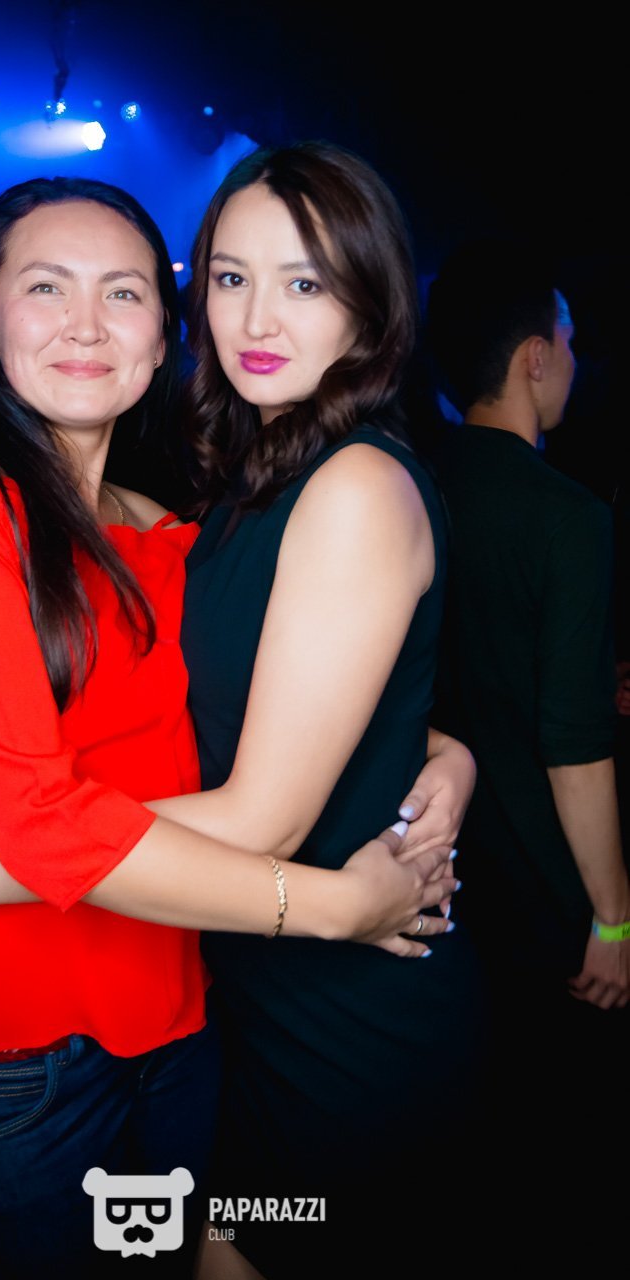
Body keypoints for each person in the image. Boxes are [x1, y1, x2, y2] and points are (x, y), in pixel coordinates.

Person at [0, 149, 483, 1275]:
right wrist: (342, 899)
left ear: (161, 334)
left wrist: (446, 755)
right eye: (45, 287)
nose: (85, 324)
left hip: (205, 1005)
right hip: (38, 1041)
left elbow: (266, 734)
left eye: (122, 291)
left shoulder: (175, 527)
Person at [424, 239, 628, 1216]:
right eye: (569, 339)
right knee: (565, 1141)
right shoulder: (567, 517)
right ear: (534, 356)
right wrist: (613, 915)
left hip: (435, 881)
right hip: (547, 894)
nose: (574, 361)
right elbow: (573, 743)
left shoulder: (405, 482)